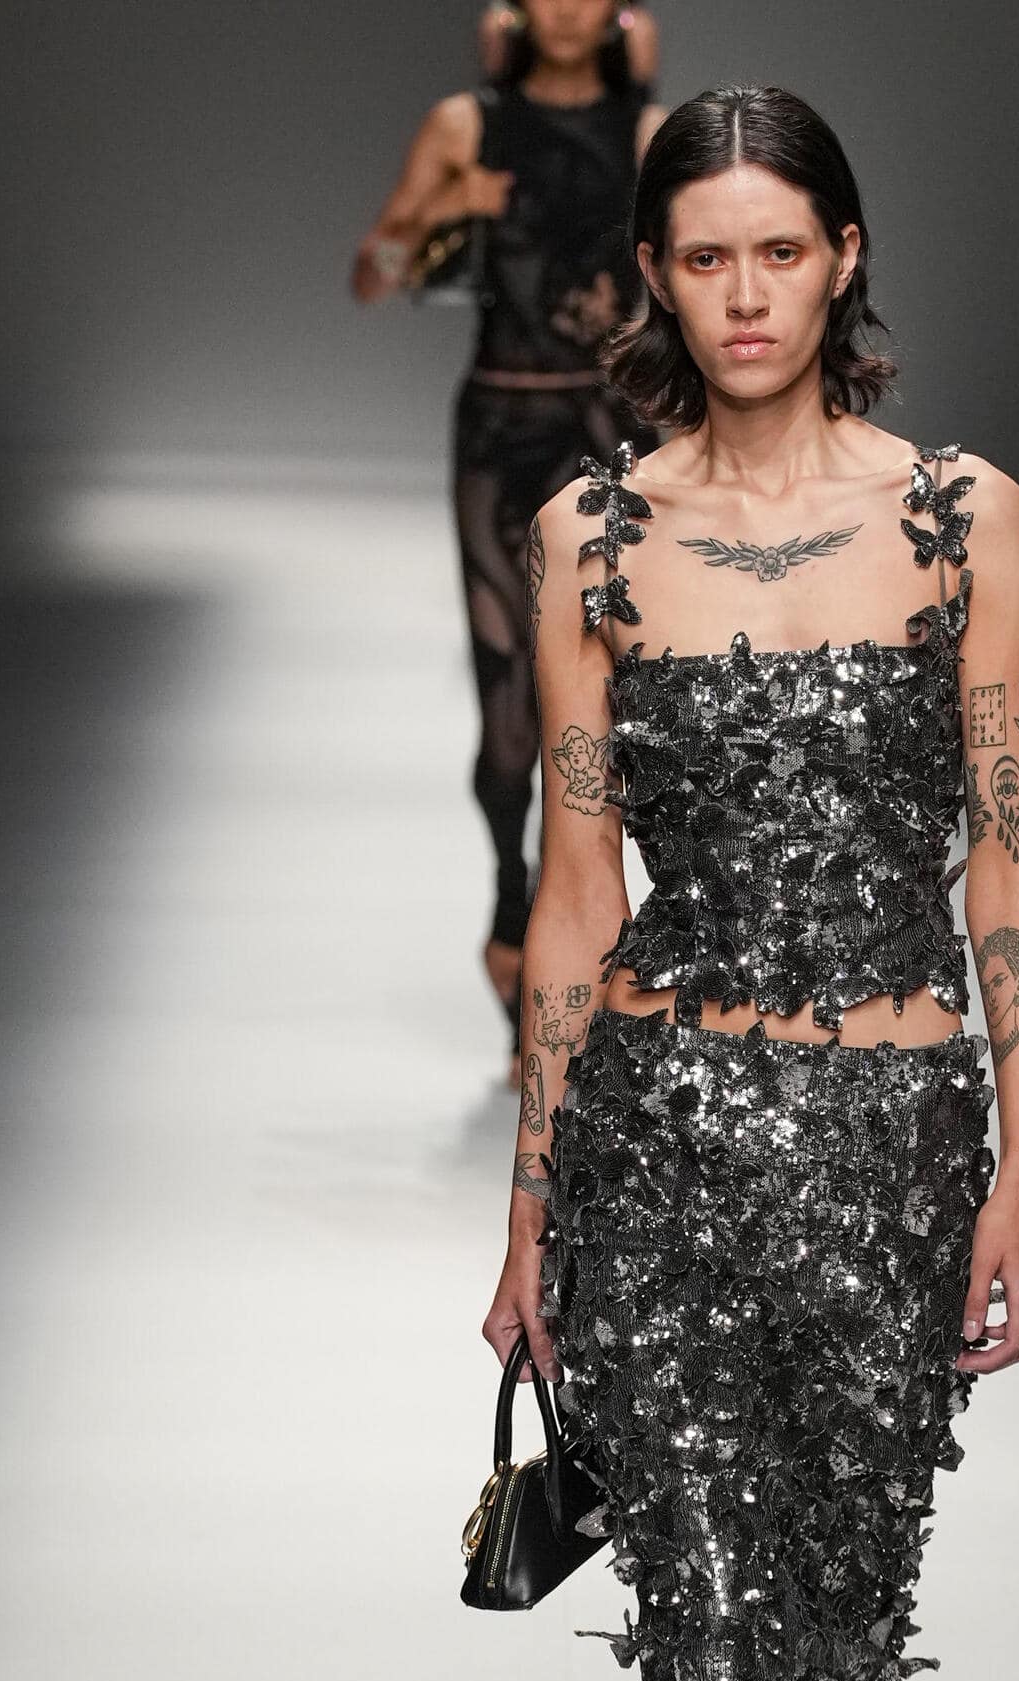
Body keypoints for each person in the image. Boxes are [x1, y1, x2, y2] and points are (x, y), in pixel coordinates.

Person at [482, 84, 1019, 1681]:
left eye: (777, 252)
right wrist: (534, 1200)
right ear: (652, 277)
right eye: (700, 258)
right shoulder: (590, 538)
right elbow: (573, 890)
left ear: (844, 258)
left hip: (894, 1138)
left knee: (825, 1662)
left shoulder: (960, 517)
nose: (740, 296)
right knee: (708, 1651)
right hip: (666, 1138)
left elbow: (1003, 849)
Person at [351, 1, 662, 1077]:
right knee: (508, 713)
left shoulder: (648, 134)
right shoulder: (465, 125)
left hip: (612, 434)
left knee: (605, 703)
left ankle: (575, 935)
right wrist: (451, 198)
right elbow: (373, 277)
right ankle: (509, 901)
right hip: (501, 431)